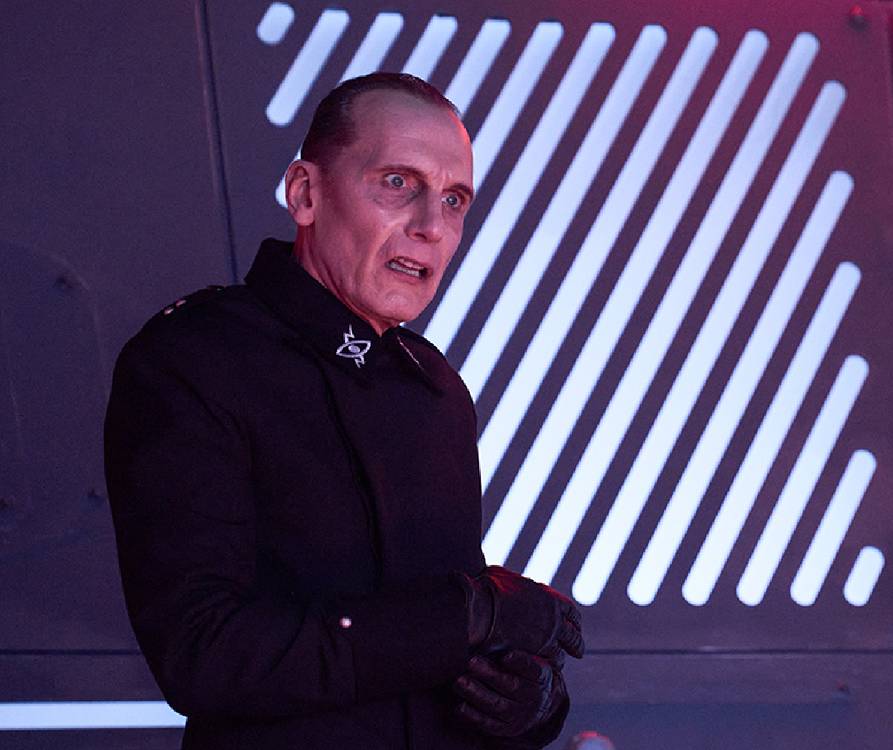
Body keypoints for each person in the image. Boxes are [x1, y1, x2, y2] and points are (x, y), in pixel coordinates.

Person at [104, 72, 583, 748]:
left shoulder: (435, 388)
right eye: (398, 183)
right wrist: (469, 614)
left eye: (453, 199)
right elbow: (204, 655)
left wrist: (526, 701)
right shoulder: (194, 360)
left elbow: (431, 656)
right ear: (306, 193)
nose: (431, 226)